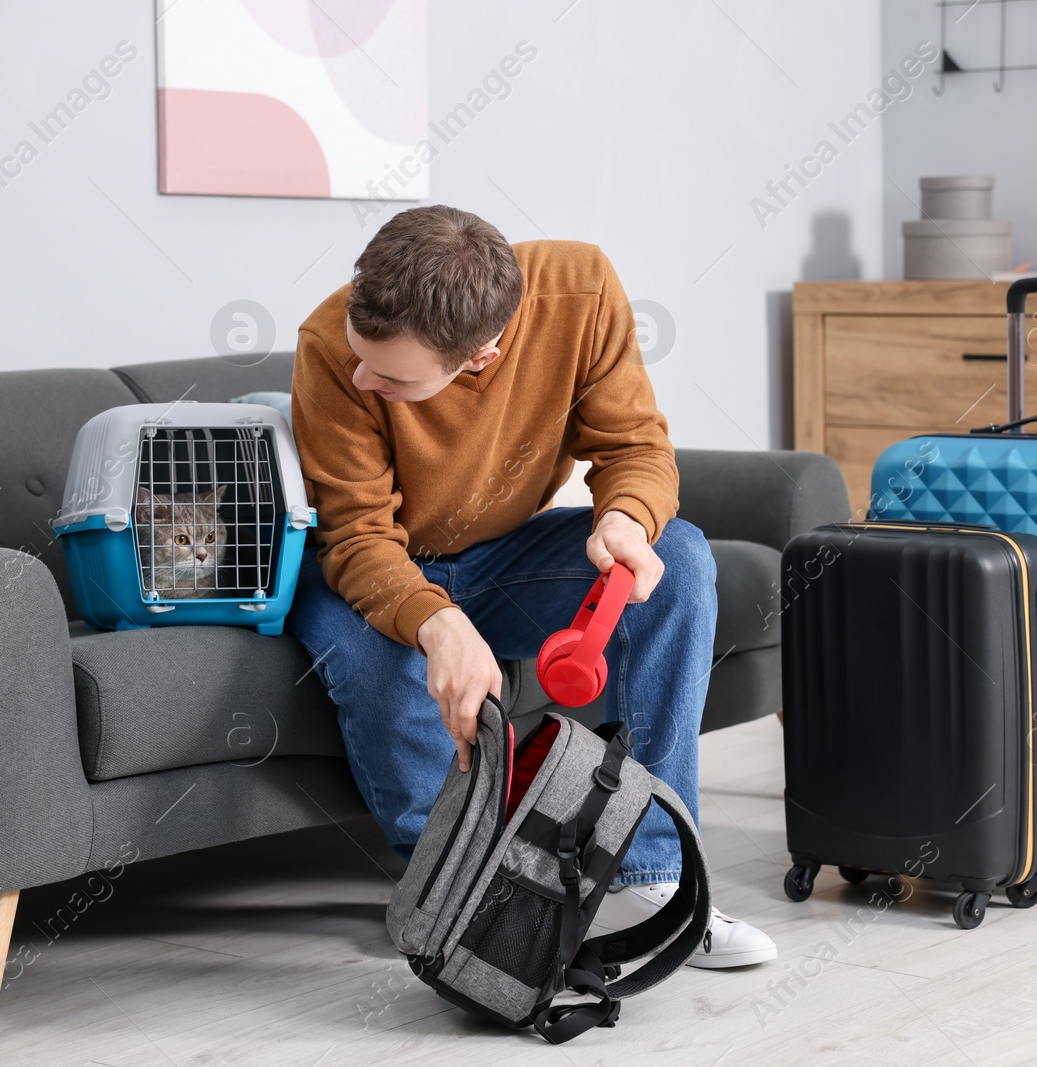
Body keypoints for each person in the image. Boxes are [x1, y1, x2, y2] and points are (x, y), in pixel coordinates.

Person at [287, 204, 775, 969]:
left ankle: (650, 884)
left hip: (501, 555)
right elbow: (356, 538)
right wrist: (437, 624)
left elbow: (637, 447)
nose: (361, 376)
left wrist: (625, 518)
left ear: (481, 355)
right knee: (379, 664)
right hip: (372, 569)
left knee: (677, 560)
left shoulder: (580, 290)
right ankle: (455, 895)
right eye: (361, 355)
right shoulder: (327, 346)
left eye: (389, 374)